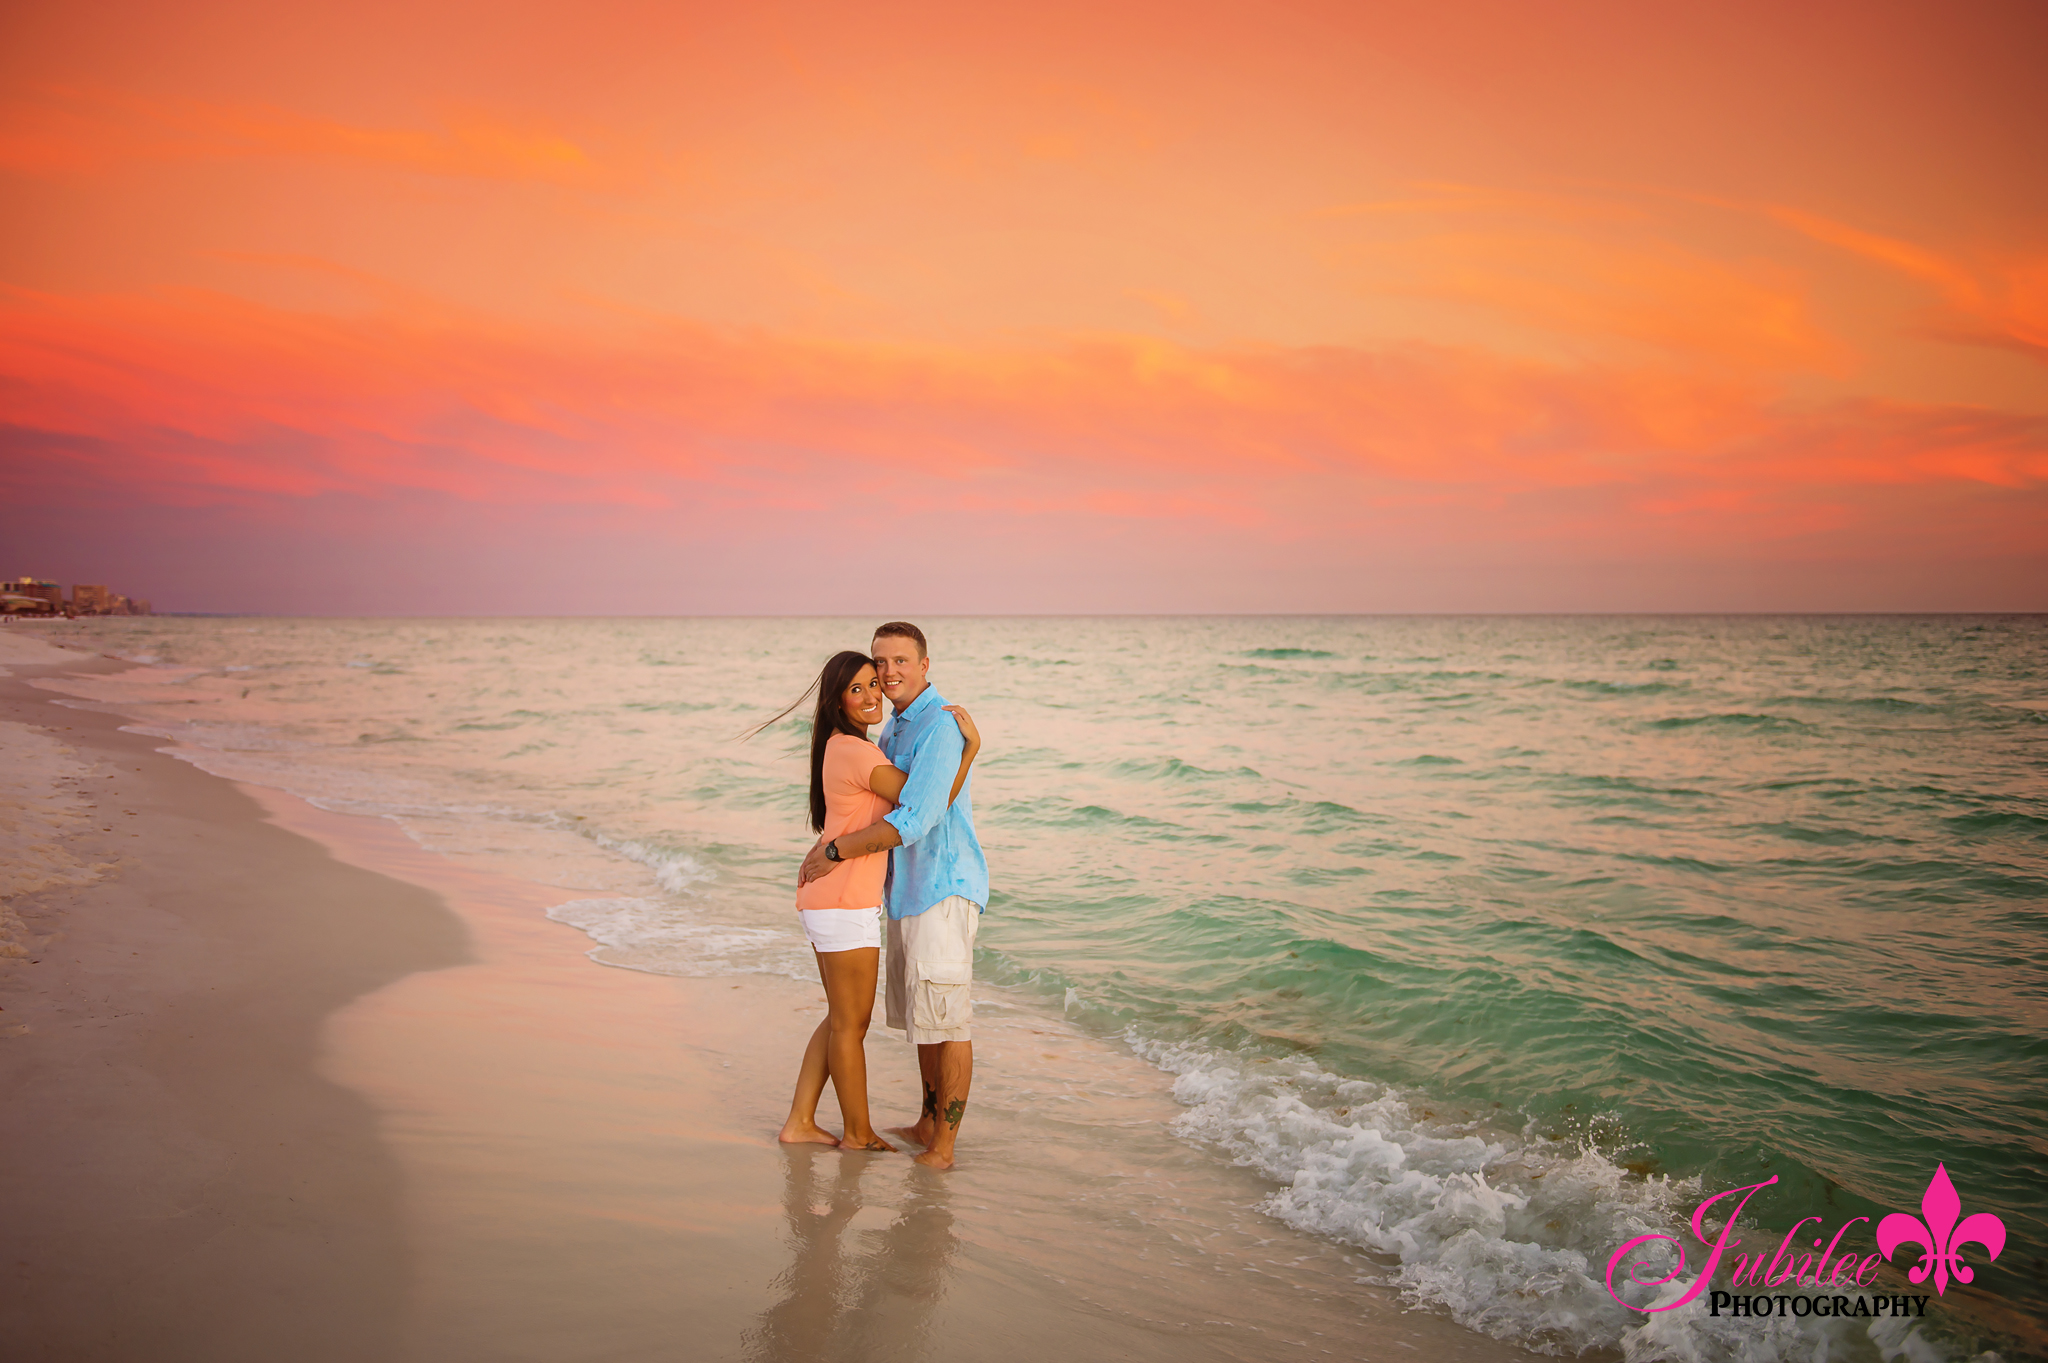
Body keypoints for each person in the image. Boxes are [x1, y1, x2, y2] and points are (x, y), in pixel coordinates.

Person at [764, 649, 979, 1152]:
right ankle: (857, 1134)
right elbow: (923, 803)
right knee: (850, 1022)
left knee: (840, 1016)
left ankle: (800, 1122)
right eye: (856, 687)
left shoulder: (848, 747)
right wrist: (968, 754)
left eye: (873, 684)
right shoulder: (858, 752)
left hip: (833, 899)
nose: (871, 694)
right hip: (842, 902)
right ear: (837, 701)